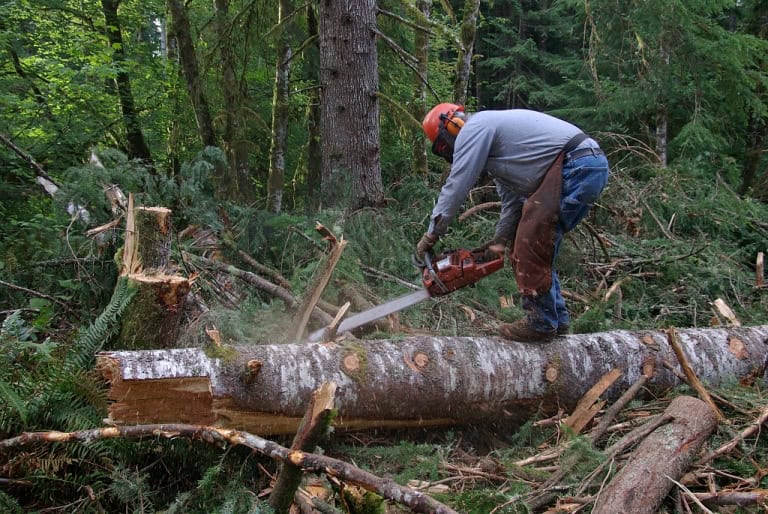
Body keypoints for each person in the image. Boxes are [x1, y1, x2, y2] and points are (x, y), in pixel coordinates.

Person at [414, 103, 609, 342]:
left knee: (531, 242)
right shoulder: (502, 155)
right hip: (586, 164)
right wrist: (499, 241)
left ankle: (542, 322)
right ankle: (557, 319)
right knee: (541, 243)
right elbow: (512, 203)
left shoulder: (474, 128)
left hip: (574, 165)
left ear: (453, 126)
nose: (450, 153)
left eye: (446, 146)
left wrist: (432, 234)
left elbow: (457, 185)